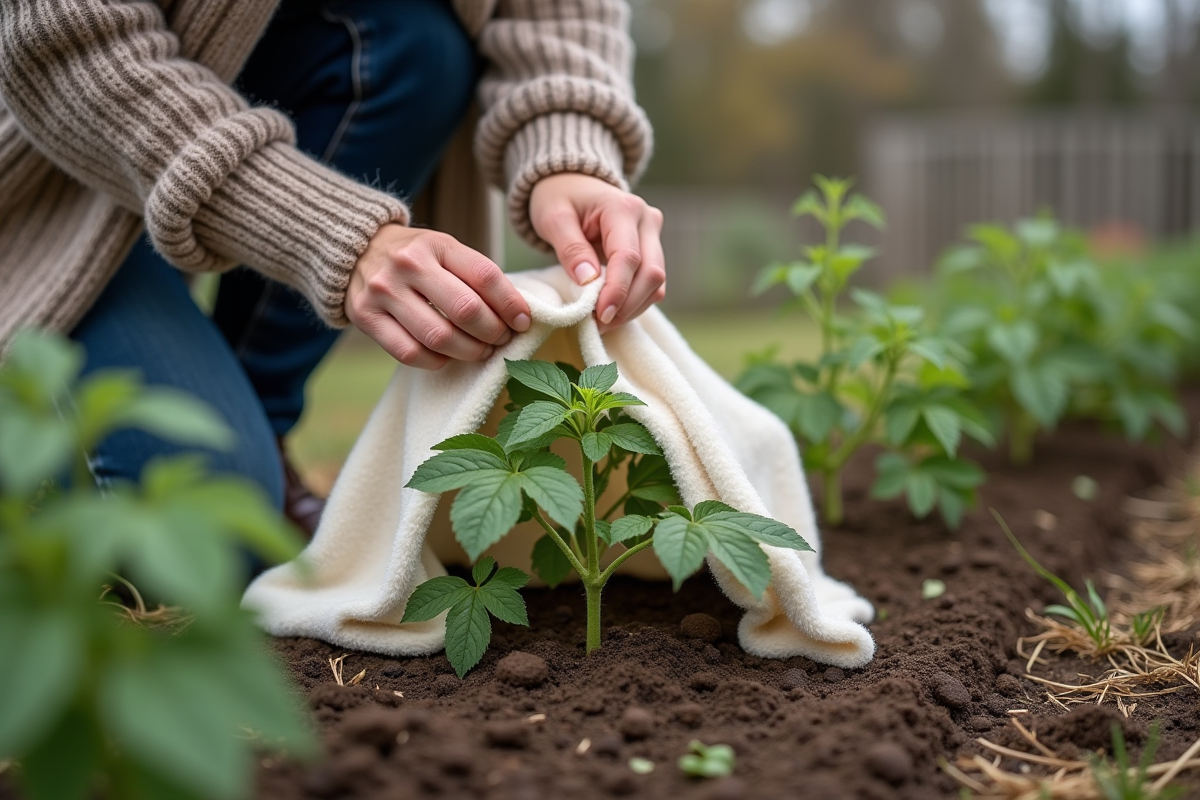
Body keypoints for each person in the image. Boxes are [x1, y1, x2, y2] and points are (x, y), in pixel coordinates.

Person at [0, 0, 663, 534]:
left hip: (268, 95)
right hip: (50, 170)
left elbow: (551, 12)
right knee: (199, 539)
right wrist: (326, 230)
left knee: (418, 39)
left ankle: (255, 418)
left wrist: (570, 150)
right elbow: (62, 38)